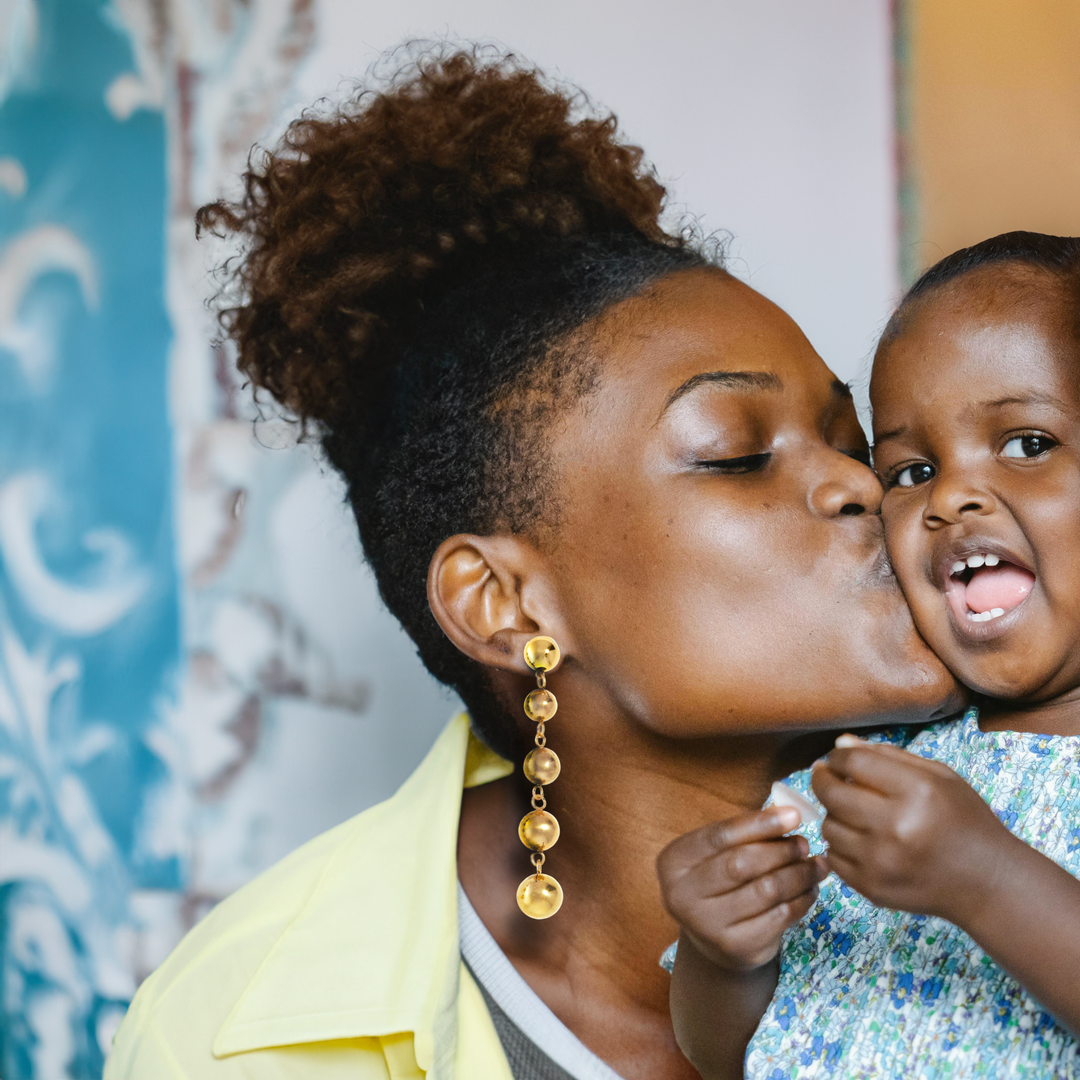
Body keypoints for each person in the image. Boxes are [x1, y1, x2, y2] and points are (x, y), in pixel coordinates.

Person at [104, 47, 960, 1080]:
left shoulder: (1016, 865)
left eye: (857, 442)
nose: (862, 488)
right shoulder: (241, 1031)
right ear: (505, 603)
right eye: (737, 454)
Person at [662, 232, 1080, 1079]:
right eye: (911, 469)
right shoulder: (864, 782)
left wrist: (989, 880)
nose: (950, 497)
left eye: (1028, 443)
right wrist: (724, 955)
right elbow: (723, 1055)